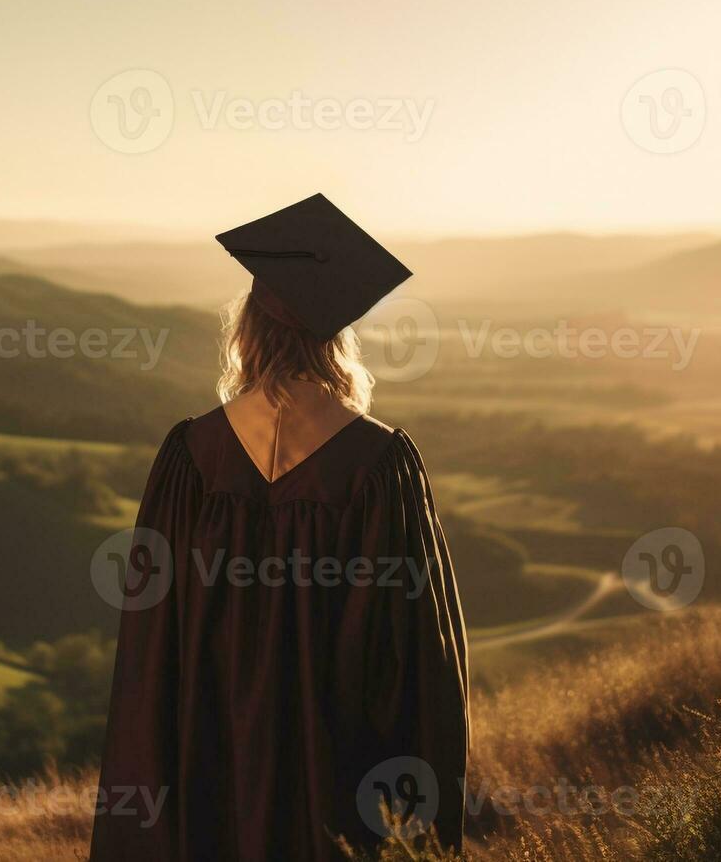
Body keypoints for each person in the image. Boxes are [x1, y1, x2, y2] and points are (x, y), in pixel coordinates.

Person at [89, 194, 470, 861]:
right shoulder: (378, 466)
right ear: (336, 338)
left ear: (248, 331)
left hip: (207, 757)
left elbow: (154, 641)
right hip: (335, 774)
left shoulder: (189, 458)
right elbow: (412, 656)